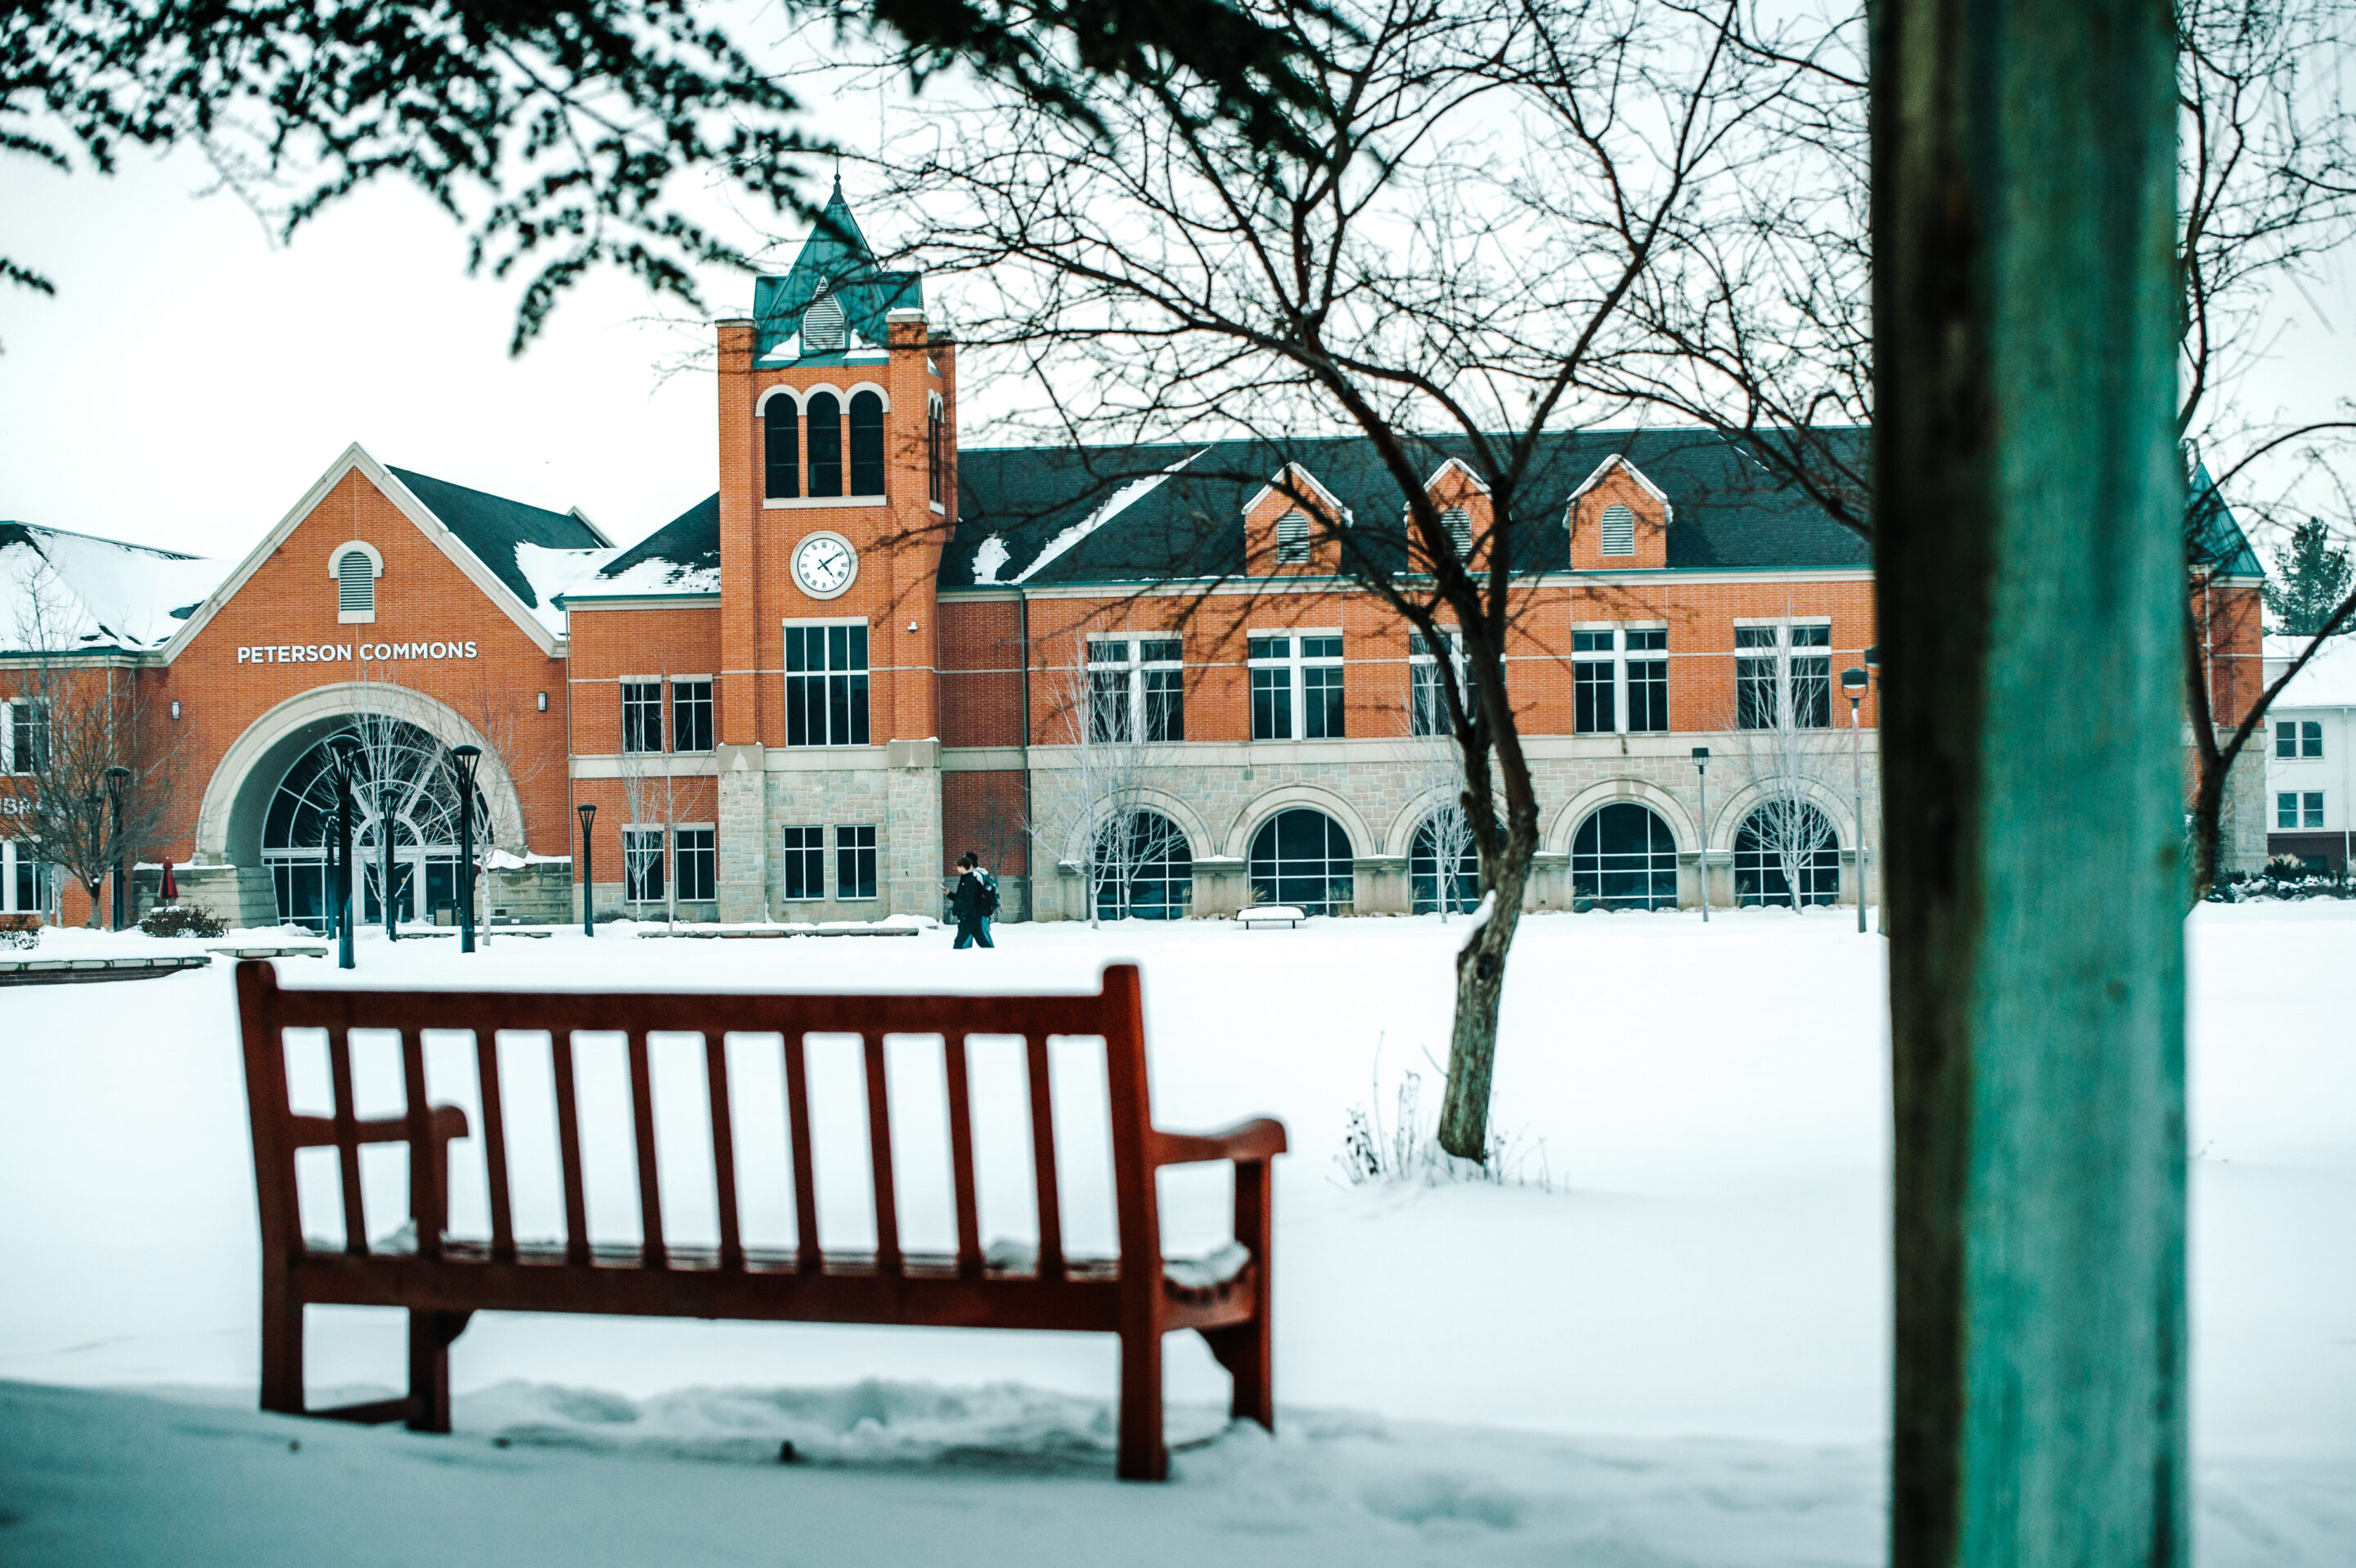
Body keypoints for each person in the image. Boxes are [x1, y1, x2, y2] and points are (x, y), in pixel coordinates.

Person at [951, 851, 996, 949]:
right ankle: (988, 951)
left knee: (970, 937)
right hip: (976, 912)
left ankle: (965, 951)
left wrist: (965, 913)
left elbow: (972, 896)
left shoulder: (974, 876)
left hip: (974, 912)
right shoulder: (980, 873)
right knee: (981, 936)